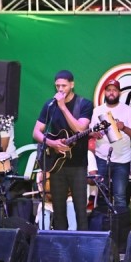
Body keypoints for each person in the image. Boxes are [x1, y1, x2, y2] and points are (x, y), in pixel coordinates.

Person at [32, 70, 94, 230]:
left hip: (78, 164)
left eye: (64, 86)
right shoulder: (50, 105)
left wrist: (63, 108)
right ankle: (60, 243)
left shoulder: (84, 104)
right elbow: (36, 132)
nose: (60, 89)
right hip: (56, 165)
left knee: (80, 211)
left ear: (72, 84)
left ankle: (83, 242)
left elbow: (80, 129)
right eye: (57, 86)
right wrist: (52, 143)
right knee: (59, 211)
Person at [90, 79, 131, 210]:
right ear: (104, 92)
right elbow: (90, 132)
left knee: (120, 196)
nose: (111, 93)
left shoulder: (128, 111)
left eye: (114, 90)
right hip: (102, 158)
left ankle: (120, 223)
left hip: (122, 160)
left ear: (119, 93)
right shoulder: (97, 110)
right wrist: (94, 134)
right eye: (109, 90)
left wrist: (124, 128)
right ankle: (103, 223)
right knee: (102, 196)